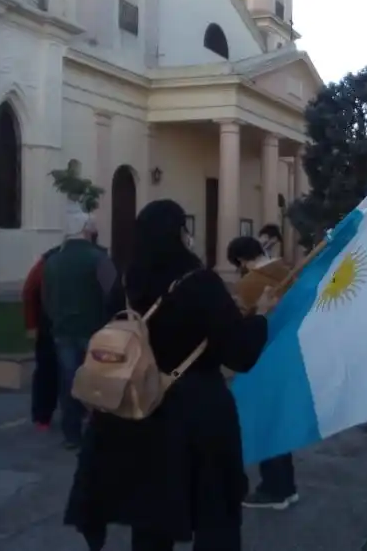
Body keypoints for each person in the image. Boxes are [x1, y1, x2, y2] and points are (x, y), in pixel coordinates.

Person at [64, 199, 271, 551]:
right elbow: (239, 353)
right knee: (214, 513)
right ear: (179, 234)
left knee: (149, 516)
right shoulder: (201, 283)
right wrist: (260, 316)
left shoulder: (126, 284)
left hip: (137, 408)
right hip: (196, 414)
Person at [226, 236, 300, 510]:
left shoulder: (249, 284)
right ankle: (287, 486)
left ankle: (274, 488)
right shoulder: (290, 272)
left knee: (265, 424)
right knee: (279, 422)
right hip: (288, 355)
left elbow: (237, 325)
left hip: (261, 358)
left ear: (241, 260)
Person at [42, 215, 117, 449]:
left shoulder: (52, 260)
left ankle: (71, 434)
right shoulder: (98, 258)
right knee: (98, 383)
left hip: (63, 330)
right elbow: (113, 293)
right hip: (94, 329)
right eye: (92, 226)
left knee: (69, 383)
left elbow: (46, 297)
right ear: (85, 230)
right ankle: (100, 432)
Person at [22, 246, 62, 430]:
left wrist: (31, 325)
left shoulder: (45, 263)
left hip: (48, 325)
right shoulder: (94, 257)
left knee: (46, 370)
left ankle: (42, 416)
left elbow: (29, 292)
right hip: (62, 325)